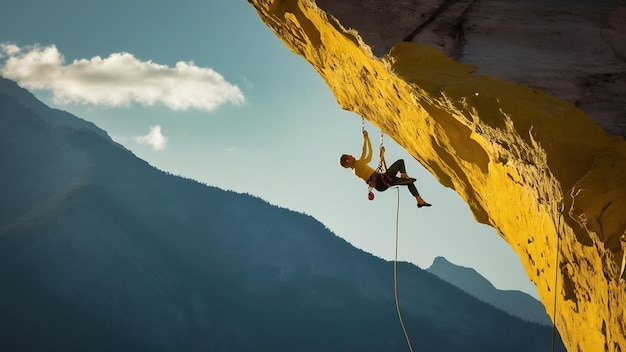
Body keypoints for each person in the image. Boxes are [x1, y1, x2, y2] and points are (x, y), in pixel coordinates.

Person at [340, 130, 432, 208]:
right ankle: (404, 175)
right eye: (350, 156)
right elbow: (364, 153)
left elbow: (370, 155)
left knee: (409, 181)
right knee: (400, 162)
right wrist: (365, 139)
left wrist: (369, 140)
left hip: (381, 182)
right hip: (380, 181)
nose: (352, 155)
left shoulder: (357, 168)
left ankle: (419, 201)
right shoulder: (357, 166)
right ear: (348, 160)